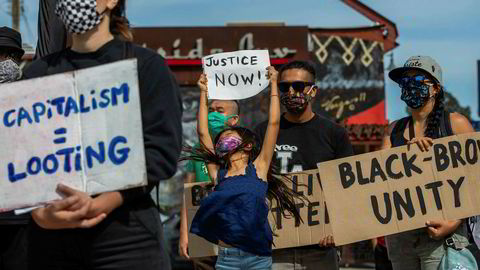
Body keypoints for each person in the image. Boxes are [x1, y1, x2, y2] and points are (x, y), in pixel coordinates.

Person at [22, 0, 182, 269]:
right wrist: (39, 214)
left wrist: (106, 201)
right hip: (50, 239)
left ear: (112, 1)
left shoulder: (145, 67)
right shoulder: (37, 74)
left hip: (127, 237)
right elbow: (19, 157)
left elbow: (161, 149)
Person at [181, 68, 306, 270]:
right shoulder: (218, 174)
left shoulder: (259, 168)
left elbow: (274, 123)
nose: (222, 139)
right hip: (227, 259)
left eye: (229, 136)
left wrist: (274, 84)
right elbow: (203, 132)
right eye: (220, 140)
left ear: (247, 145)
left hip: (258, 259)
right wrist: (203, 92)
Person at [254, 60, 354, 270]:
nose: (291, 92)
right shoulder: (263, 132)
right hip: (275, 245)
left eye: (299, 86)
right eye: (284, 87)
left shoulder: (334, 133)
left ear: (313, 91)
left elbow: (347, 188)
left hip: (320, 246)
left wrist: (339, 230)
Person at [383, 55, 473, 270]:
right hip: (401, 238)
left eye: (417, 81)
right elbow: (379, 179)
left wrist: (454, 222)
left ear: (435, 88)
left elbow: (475, 176)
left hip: (442, 235)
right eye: (405, 81)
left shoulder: (455, 124)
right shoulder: (393, 130)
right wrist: (406, 157)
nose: (410, 86)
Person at [179, 99, 240, 270]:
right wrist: (184, 234)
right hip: (203, 231)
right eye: (211, 110)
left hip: (236, 232)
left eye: (220, 111)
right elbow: (188, 195)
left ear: (234, 119)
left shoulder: (245, 149)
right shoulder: (198, 151)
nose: (213, 114)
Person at [0, 26, 28, 270]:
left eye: (10, 56)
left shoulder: (33, 94)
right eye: (1, 55)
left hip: (23, 215)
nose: (6, 63)